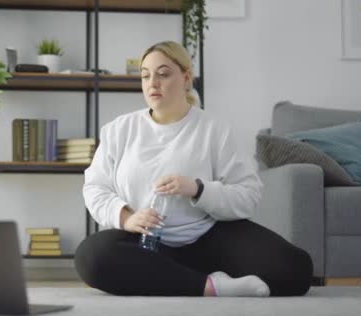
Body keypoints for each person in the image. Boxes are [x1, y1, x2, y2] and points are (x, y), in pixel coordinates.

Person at [74, 41, 313, 297]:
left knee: (296, 270)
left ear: (186, 78)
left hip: (209, 238)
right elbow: (95, 188)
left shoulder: (215, 129)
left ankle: (176, 278)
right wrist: (126, 217)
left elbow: (249, 195)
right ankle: (211, 286)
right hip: (147, 244)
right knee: (91, 257)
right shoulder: (119, 130)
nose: (152, 83)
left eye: (163, 74)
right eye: (145, 75)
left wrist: (198, 189)